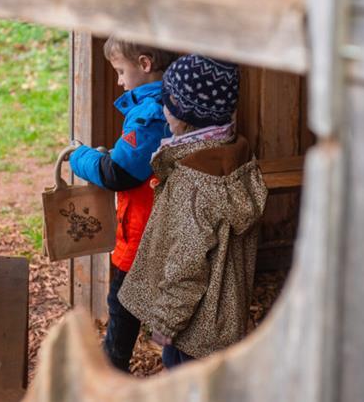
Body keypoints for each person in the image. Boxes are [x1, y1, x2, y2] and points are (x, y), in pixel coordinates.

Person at [118, 54, 268, 369]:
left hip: (191, 333)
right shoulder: (236, 158)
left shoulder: (194, 181)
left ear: (187, 113)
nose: (162, 110)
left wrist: (164, 327)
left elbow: (186, 268)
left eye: (168, 103)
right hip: (223, 323)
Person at [68, 38, 176, 372]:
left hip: (144, 229)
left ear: (144, 64)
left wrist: (80, 157)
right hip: (164, 227)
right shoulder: (174, 101)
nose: (118, 81)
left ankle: (109, 373)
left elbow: (120, 174)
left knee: (121, 304)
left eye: (120, 71)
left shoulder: (150, 113)